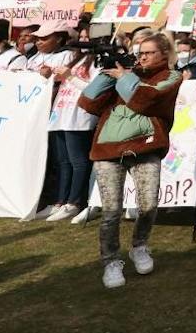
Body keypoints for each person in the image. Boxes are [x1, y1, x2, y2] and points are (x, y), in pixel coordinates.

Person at [77, 32, 182, 289]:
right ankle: (111, 260)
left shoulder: (171, 76)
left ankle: (140, 245)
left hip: (145, 148)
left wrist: (124, 76)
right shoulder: (125, 72)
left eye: (148, 52)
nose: (142, 57)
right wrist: (107, 72)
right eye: (139, 52)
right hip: (107, 149)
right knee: (111, 211)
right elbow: (88, 102)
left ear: (164, 54)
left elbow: (147, 100)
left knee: (148, 205)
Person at [41, 37, 97, 222]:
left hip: (79, 116)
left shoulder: (97, 62)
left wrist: (70, 76)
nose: (82, 40)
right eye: (80, 36)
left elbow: (93, 90)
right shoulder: (75, 59)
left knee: (78, 162)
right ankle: (60, 201)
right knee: (62, 161)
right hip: (62, 113)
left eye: (86, 36)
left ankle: (74, 202)